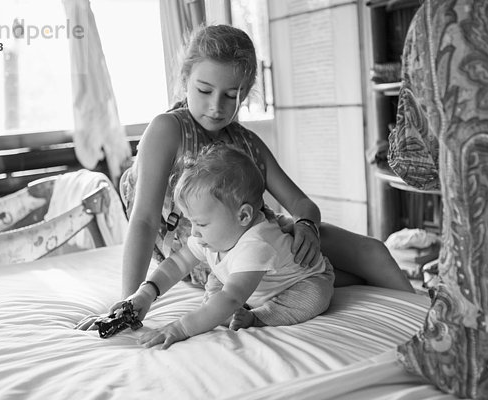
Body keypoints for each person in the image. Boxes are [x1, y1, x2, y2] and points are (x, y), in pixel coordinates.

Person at [76, 24, 412, 331]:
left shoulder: (246, 142)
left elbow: (300, 203)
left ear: (246, 92)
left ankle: (432, 322)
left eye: (231, 95)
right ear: (184, 81)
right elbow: (145, 220)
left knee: (374, 254)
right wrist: (129, 305)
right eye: (204, 90)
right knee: (337, 278)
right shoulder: (169, 129)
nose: (216, 106)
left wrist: (306, 225)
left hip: (265, 238)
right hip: (215, 256)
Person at [129, 144, 335, 348]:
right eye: (191, 222)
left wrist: (180, 328)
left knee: (315, 296)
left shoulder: (256, 244)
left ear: (243, 216)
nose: (193, 232)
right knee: (216, 282)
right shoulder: (212, 236)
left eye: (200, 223)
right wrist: (146, 293)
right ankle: (222, 311)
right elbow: (178, 263)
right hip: (247, 284)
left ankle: (258, 317)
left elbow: (231, 298)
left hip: (299, 283)